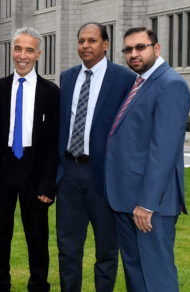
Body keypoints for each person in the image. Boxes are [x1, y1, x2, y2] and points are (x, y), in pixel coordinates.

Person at [106, 27, 190, 292]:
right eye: (128, 49)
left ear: (157, 48)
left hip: (151, 206)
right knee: (137, 275)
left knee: (157, 278)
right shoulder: (141, 82)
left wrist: (147, 203)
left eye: (140, 47)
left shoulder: (170, 84)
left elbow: (163, 151)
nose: (133, 54)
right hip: (129, 201)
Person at [0, 27, 59, 292]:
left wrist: (48, 185)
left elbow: (55, 143)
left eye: (29, 50)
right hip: (2, 168)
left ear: (38, 54)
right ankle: (0, 285)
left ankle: (38, 285)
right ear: (12, 51)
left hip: (33, 170)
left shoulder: (50, 92)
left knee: (37, 236)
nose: (22, 55)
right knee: (0, 235)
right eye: (18, 48)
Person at [56, 22, 136, 291]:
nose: (85, 46)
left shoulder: (124, 79)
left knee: (106, 249)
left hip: (103, 176)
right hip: (69, 173)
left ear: (105, 44)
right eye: (81, 41)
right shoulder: (67, 77)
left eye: (92, 41)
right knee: (68, 248)